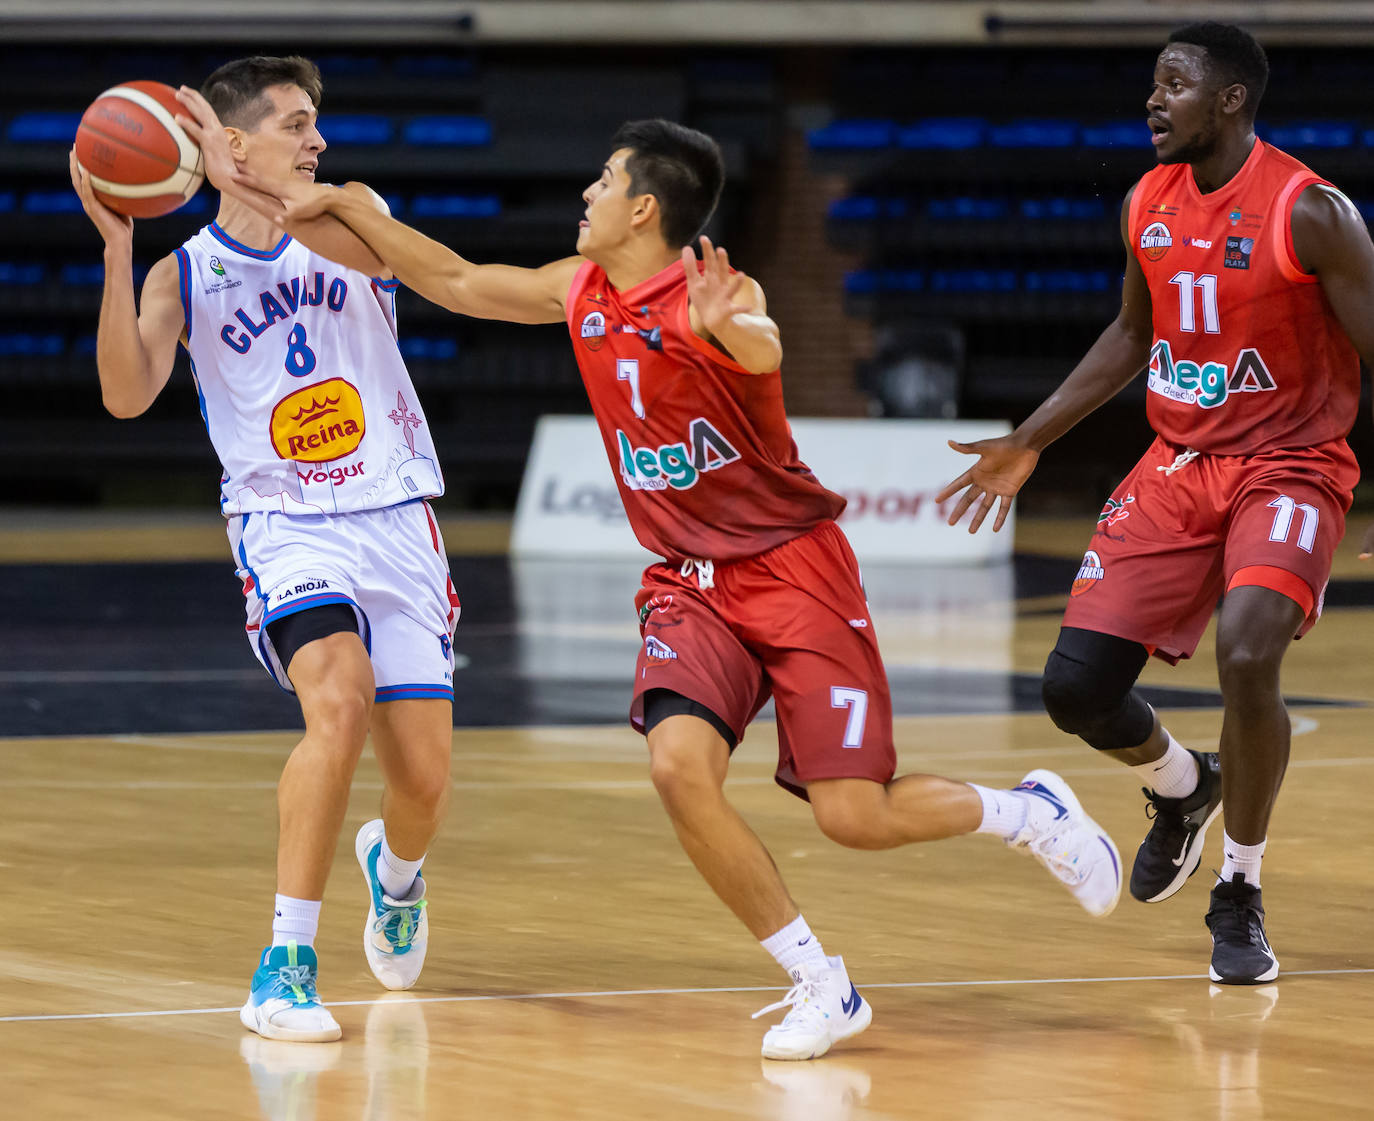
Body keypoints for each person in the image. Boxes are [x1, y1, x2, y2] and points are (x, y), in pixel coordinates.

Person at [187, 110, 1123, 1061]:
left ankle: (1026, 811)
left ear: (643, 208)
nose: (584, 194)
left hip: (793, 571)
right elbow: (457, 280)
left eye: (601, 179)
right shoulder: (581, 289)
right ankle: (818, 981)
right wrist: (335, 200)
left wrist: (737, 330)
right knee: (678, 767)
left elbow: (761, 344)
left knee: (854, 815)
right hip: (688, 581)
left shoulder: (720, 295)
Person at [938, 22, 1374, 985]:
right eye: (1152, 84)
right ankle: (1184, 787)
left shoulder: (1314, 213)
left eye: (1173, 85)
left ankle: (1241, 888)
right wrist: (1031, 437)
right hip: (1180, 461)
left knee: (1247, 651)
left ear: (1230, 100)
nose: (1152, 101)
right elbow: (1132, 334)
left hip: (1291, 464)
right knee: (1074, 689)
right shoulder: (1147, 200)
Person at [70, 56, 461, 1042]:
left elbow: (395, 262)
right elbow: (124, 393)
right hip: (284, 522)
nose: (316, 139)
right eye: (294, 123)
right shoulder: (184, 273)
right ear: (230, 139)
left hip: (395, 512)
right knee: (337, 697)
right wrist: (118, 250)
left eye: (315, 123)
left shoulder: (347, 213)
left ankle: (397, 868)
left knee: (422, 782)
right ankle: (284, 961)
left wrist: (258, 178)